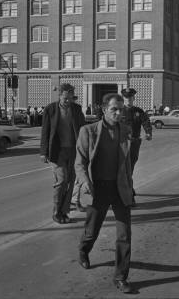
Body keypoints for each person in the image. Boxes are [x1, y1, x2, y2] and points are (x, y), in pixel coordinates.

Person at [75, 93, 135, 294]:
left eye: (121, 109)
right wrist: (84, 182)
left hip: (120, 189)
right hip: (97, 189)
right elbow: (80, 162)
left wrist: (130, 188)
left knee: (124, 235)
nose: (118, 113)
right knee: (92, 230)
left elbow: (127, 165)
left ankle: (120, 277)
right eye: (114, 109)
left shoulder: (126, 131)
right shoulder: (89, 131)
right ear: (103, 110)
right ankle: (84, 250)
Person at [40, 83, 86, 224]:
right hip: (57, 151)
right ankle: (56, 212)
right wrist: (43, 152)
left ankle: (64, 211)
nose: (68, 101)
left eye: (70, 98)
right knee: (61, 181)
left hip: (73, 151)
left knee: (71, 180)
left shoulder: (77, 109)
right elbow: (45, 131)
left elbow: (83, 130)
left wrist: (85, 149)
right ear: (59, 96)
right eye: (65, 98)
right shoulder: (50, 109)